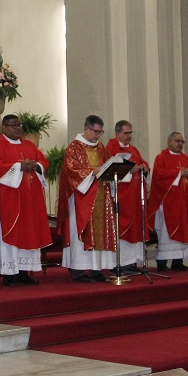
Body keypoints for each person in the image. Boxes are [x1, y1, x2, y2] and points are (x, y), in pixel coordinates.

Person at [0, 114, 52, 286]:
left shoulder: (29, 145)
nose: (18, 128)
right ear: (4, 127)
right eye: (13, 126)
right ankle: (9, 273)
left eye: (19, 125)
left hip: (29, 201)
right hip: (8, 200)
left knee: (28, 233)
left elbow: (43, 161)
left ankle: (23, 272)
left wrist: (36, 166)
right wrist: (19, 166)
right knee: (10, 233)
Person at [57, 115, 115, 282]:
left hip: (101, 198)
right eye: (96, 131)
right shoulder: (73, 148)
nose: (98, 135)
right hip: (81, 199)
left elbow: (108, 166)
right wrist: (92, 172)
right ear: (87, 129)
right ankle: (78, 271)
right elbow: (70, 171)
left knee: (100, 233)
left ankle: (97, 270)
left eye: (100, 132)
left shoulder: (102, 148)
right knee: (80, 234)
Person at [149, 132, 188, 271]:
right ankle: (162, 263)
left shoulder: (187, 159)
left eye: (182, 141)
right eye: (177, 141)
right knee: (167, 233)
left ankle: (178, 262)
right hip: (169, 204)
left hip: (185, 205)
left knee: (184, 230)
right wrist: (178, 173)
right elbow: (158, 176)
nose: (180, 144)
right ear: (169, 142)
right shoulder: (161, 158)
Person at [105, 120, 150, 270]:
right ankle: (119, 263)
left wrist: (144, 168)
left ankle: (131, 262)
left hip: (135, 197)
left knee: (135, 229)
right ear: (117, 133)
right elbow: (109, 171)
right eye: (126, 133)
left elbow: (143, 164)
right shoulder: (110, 149)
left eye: (131, 133)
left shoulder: (134, 150)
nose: (129, 136)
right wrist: (129, 171)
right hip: (121, 197)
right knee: (122, 229)